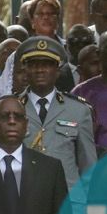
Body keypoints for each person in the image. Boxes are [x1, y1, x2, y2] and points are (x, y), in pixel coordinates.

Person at [17, 38, 97, 187]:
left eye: (47, 65)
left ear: (58, 71)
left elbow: (88, 166)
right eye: (33, 65)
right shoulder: (12, 108)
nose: (40, 70)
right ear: (25, 70)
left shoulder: (78, 110)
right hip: (24, 200)